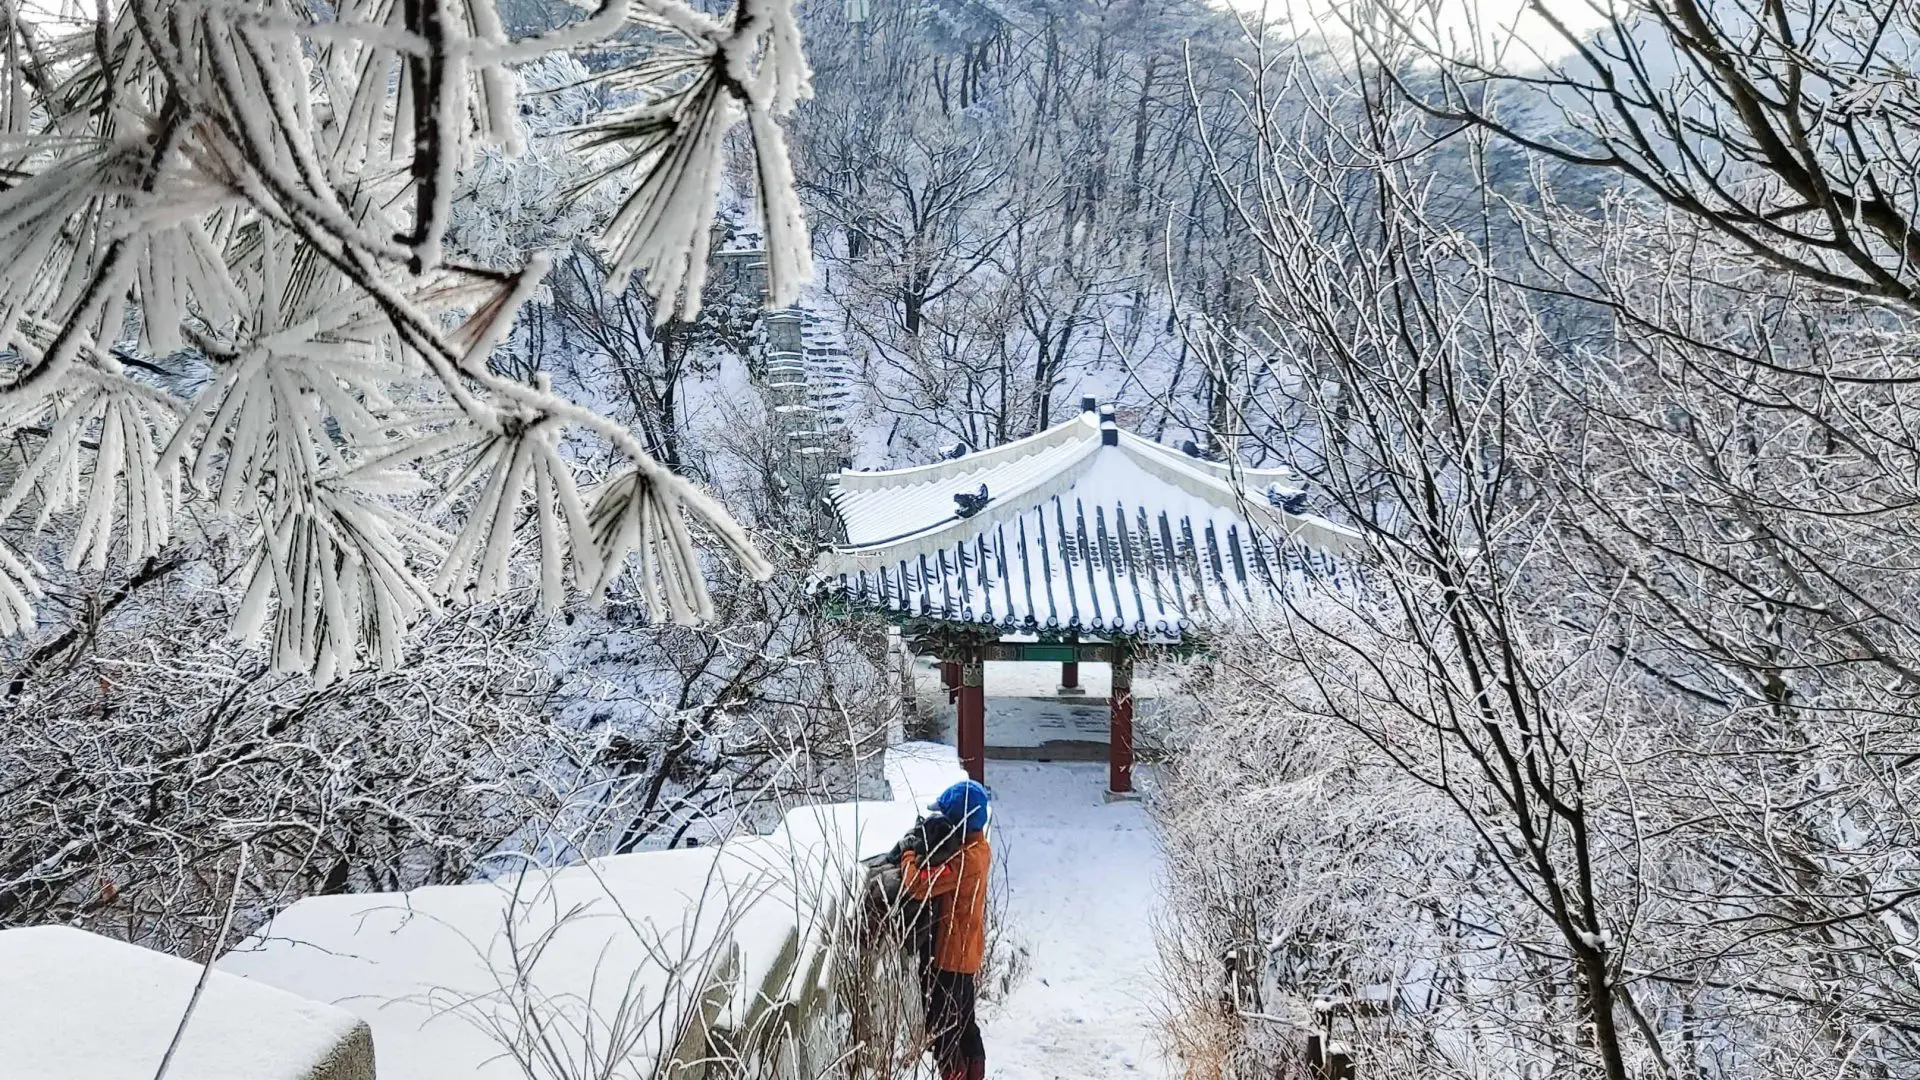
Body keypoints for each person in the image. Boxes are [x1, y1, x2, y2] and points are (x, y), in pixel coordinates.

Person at [883, 779, 991, 1080]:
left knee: (943, 1032)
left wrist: (908, 855)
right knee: (966, 1025)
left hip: (949, 957)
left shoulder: (964, 861)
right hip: (967, 954)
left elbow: (918, 885)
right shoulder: (981, 849)